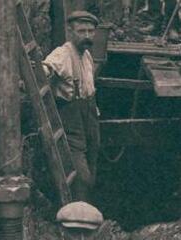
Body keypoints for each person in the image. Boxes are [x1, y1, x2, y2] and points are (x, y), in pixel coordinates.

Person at [42, 11, 101, 203]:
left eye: (90, 31)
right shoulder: (63, 54)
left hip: (89, 116)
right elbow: (45, 68)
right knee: (81, 174)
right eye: (81, 31)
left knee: (93, 162)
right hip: (71, 119)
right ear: (70, 31)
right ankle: (78, 211)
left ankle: (88, 208)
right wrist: (42, 73)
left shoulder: (87, 55)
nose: (87, 36)